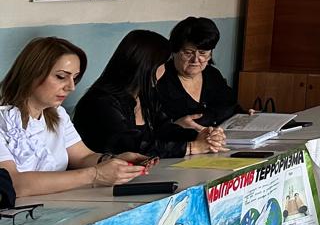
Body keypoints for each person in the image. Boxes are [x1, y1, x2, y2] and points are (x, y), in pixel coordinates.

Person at [0, 37, 151, 196]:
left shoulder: (58, 115)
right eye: (61, 77)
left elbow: (83, 157)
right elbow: (13, 184)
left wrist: (114, 161)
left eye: (74, 78)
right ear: (31, 73)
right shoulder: (3, 121)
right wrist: (95, 175)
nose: (71, 87)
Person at [74, 29, 226, 158]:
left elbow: (164, 129)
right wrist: (192, 147)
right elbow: (132, 146)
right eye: (163, 65)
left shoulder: (145, 94)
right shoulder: (100, 102)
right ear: (146, 67)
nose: (165, 71)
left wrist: (202, 136)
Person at [155, 17, 244, 129]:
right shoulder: (160, 80)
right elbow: (154, 129)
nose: (196, 60)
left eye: (203, 53)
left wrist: (244, 116)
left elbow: (231, 106)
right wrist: (175, 127)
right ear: (174, 51)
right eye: (188, 53)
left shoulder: (212, 74)